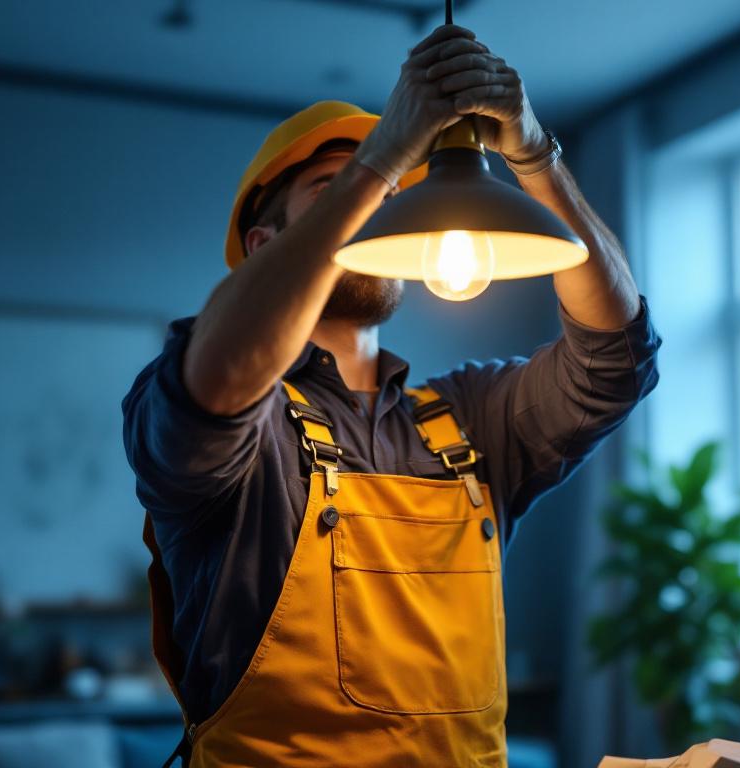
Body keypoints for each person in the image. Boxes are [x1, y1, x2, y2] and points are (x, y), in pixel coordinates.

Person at [122, 23, 661, 767]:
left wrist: (534, 154)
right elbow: (220, 376)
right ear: (264, 246)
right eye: (335, 190)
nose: (380, 207)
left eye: (395, 195)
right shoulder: (245, 426)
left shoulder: (473, 418)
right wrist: (380, 160)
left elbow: (616, 358)